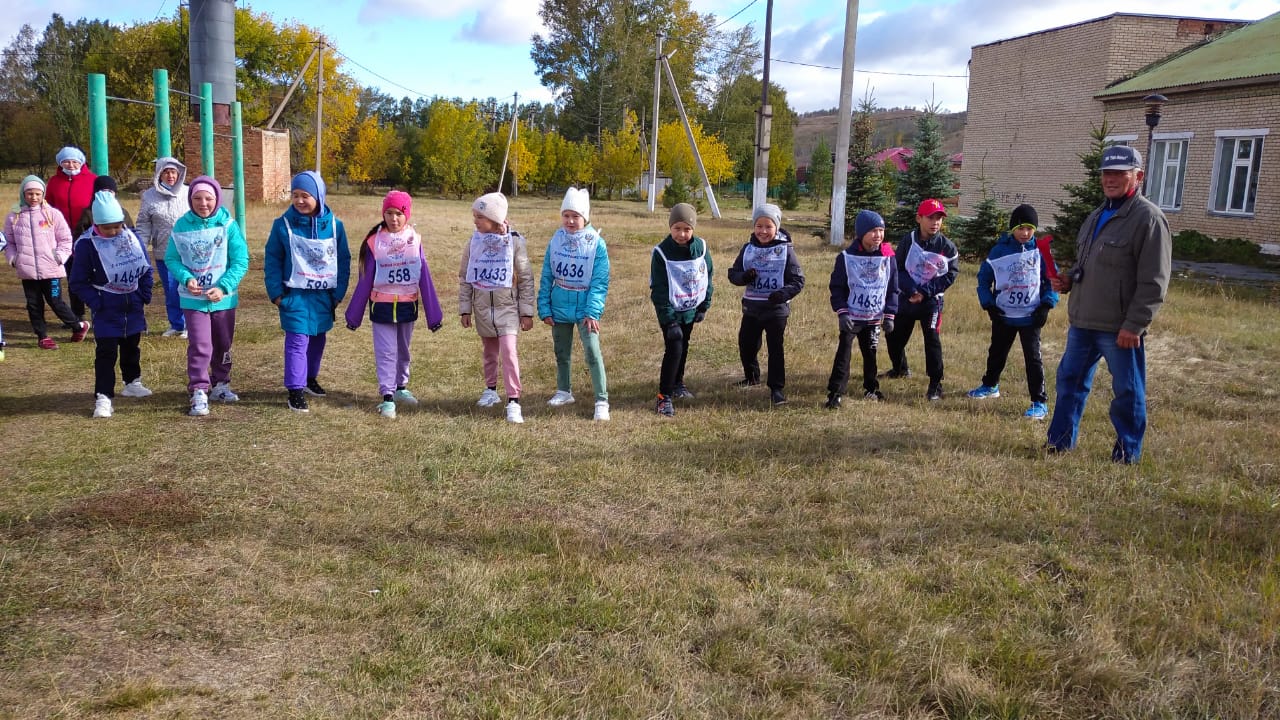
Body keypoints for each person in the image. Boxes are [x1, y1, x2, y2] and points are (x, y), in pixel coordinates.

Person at [1046, 146, 1170, 463]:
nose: (1110, 179)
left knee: (1128, 391)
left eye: (1119, 173)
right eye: (1106, 173)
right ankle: (1059, 443)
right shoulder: (1096, 216)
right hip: (1083, 321)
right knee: (1069, 382)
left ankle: (1127, 453)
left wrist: (1135, 325)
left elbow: (1154, 281)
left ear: (1138, 176)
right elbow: (1086, 262)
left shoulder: (1148, 219)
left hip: (1119, 328)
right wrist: (1069, 279)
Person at [344, 190, 444, 419]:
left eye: (398, 213)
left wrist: (434, 315)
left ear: (406, 215)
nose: (393, 218)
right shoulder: (374, 242)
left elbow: (424, 276)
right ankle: (387, 398)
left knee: (403, 351)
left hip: (408, 306)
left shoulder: (414, 240)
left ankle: (401, 388)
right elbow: (366, 279)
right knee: (386, 352)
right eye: (389, 213)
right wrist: (354, 315)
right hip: (382, 307)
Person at [264, 171, 350, 413]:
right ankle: (295, 390)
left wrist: (337, 295)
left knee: (318, 339)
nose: (299, 200)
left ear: (319, 196)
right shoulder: (282, 225)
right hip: (294, 297)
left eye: (305, 195)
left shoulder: (335, 227)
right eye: (295, 195)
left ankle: (310, 377)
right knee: (297, 341)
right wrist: (277, 294)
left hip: (323, 298)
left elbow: (343, 261)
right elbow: (272, 259)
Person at [165, 176, 250, 417]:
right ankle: (199, 389)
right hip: (193, 300)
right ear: (190, 200)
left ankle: (221, 384)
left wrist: (223, 287)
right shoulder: (181, 226)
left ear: (217, 199)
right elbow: (172, 258)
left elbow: (241, 260)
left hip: (223, 300)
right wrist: (186, 278)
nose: (203, 203)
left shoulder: (228, 225)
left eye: (208, 198)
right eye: (197, 198)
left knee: (223, 343)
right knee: (201, 345)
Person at [967, 204, 1059, 419]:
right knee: (996, 352)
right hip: (1003, 314)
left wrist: (1046, 305)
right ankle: (990, 385)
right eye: (1020, 228)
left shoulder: (1041, 252)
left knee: (1033, 358)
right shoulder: (999, 251)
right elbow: (983, 279)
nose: (1025, 233)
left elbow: (1051, 281)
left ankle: (1039, 401)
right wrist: (989, 304)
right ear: (1012, 229)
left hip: (1030, 316)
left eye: (1029, 228)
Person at [68, 191, 153, 418]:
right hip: (106, 307)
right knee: (106, 352)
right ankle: (103, 396)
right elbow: (78, 281)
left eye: (117, 226)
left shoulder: (132, 238)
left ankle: (132, 381)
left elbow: (145, 268)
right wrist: (97, 302)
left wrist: (144, 294)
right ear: (96, 224)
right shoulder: (86, 245)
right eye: (108, 228)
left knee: (132, 346)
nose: (114, 231)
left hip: (132, 303)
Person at [459, 192, 534, 424]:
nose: (475, 221)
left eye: (480, 217)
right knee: (489, 353)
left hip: (507, 309)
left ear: (494, 219)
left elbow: (525, 277)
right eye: (474, 216)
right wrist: (465, 308)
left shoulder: (514, 243)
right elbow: (465, 277)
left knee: (509, 352)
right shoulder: (473, 243)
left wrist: (526, 312)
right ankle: (491, 390)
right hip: (483, 310)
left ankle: (513, 401)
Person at [537, 187, 611, 421]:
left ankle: (601, 400)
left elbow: (599, 281)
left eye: (575, 216)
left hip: (585, 307)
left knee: (592, 352)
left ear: (585, 217)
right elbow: (547, 274)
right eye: (566, 215)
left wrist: (592, 312)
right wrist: (544, 307)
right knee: (561, 351)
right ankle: (564, 391)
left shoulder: (596, 244)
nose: (570, 221)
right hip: (559, 304)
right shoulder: (556, 240)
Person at [726, 202, 804, 406]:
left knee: (775, 348)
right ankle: (751, 376)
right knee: (746, 344)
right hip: (752, 308)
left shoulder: (785, 250)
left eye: (768, 226)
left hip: (776, 310)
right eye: (759, 226)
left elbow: (798, 281)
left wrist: (782, 294)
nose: (763, 231)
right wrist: (744, 277)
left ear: (777, 227)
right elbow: (733, 274)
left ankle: (776, 389)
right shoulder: (748, 249)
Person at [883, 198, 959, 401]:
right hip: (907, 297)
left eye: (939, 218)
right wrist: (911, 290)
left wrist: (925, 292)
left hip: (931, 301)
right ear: (919, 218)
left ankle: (935, 384)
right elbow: (898, 268)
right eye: (930, 218)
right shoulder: (908, 241)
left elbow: (950, 275)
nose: (935, 222)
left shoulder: (947, 247)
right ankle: (900, 369)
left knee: (932, 339)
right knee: (893, 335)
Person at [3, 176, 90, 349]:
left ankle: (78, 326)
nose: (33, 197)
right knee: (33, 304)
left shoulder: (52, 214)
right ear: (23, 194)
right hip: (27, 270)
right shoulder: (14, 216)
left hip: (51, 269)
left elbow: (65, 239)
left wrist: (59, 257)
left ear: (43, 194)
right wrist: (14, 259)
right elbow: (9, 242)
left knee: (55, 301)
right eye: (29, 193)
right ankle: (42, 337)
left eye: (37, 194)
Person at [824, 209, 898, 408]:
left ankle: (871, 388)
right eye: (873, 230)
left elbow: (893, 288)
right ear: (861, 233)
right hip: (852, 316)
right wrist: (842, 312)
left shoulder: (888, 257)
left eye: (881, 230)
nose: (878, 235)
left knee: (871, 353)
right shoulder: (846, 257)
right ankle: (835, 394)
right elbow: (837, 287)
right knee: (844, 353)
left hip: (874, 317)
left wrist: (890, 314)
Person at [650, 203, 712, 418]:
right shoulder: (662, 252)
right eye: (677, 228)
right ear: (670, 227)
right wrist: (669, 321)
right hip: (670, 311)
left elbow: (707, 276)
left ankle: (678, 383)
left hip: (690, 310)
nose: (682, 234)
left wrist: (704, 305)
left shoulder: (700, 248)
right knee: (674, 348)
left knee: (684, 346)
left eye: (687, 229)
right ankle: (663, 397)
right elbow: (658, 289)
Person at [136, 157, 190, 338]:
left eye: (173, 172)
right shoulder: (149, 196)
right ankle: (177, 324)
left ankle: (190, 324)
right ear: (159, 174)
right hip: (163, 251)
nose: (170, 176)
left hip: (188, 252)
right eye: (166, 172)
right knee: (171, 290)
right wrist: (140, 247)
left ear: (179, 174)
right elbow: (144, 224)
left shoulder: (188, 192)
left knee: (187, 288)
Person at [45, 146, 98, 323]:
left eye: (74, 161)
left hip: (88, 234)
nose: (71, 164)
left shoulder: (92, 180)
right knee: (73, 276)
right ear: (60, 163)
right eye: (66, 161)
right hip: (63, 237)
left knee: (94, 274)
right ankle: (77, 315)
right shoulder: (54, 182)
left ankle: (98, 312)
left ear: (81, 162)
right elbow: (48, 207)